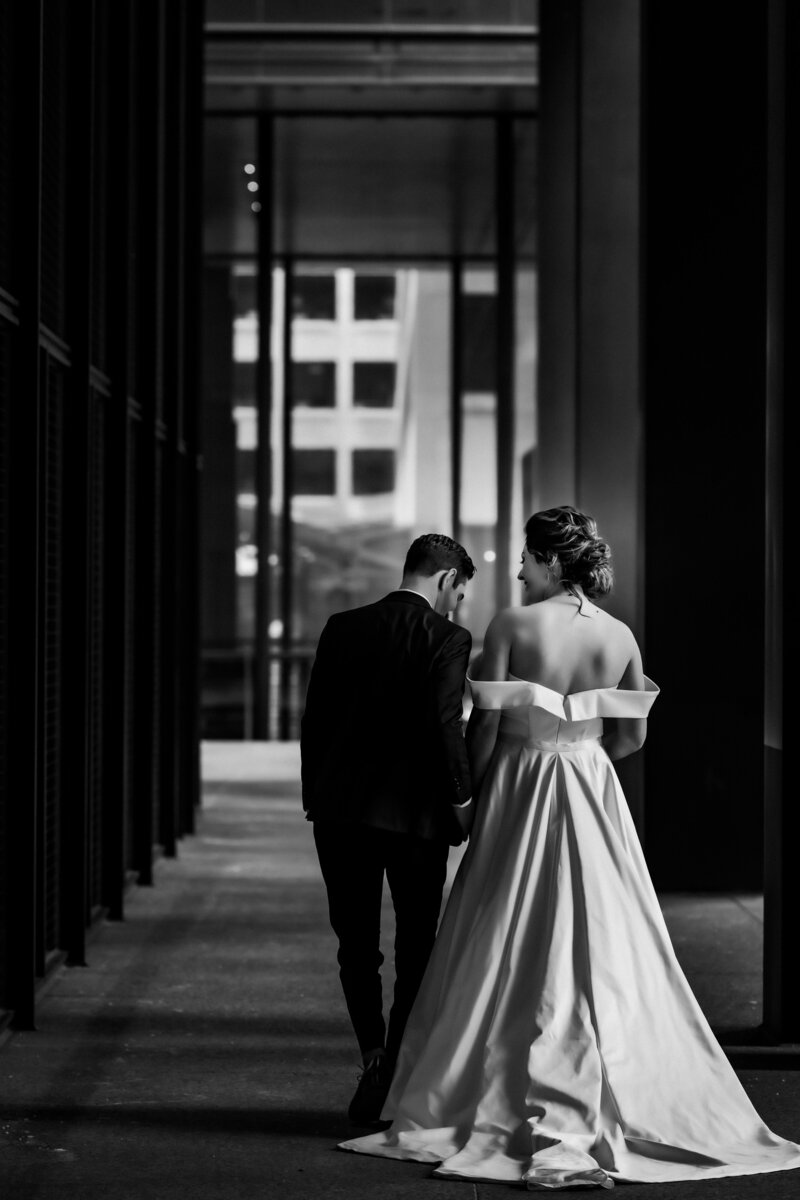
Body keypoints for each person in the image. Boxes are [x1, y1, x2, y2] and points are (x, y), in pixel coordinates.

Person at [339, 507, 800, 1188]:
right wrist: (582, 755)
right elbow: (635, 737)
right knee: (603, 928)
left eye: (527, 557)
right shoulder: (619, 636)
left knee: (504, 922)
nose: (519, 569)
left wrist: (470, 799)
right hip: (589, 785)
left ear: (553, 561)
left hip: (523, 783)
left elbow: (487, 727)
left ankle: (482, 1081)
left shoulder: (511, 626)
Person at [301, 533, 476, 1127]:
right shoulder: (447, 638)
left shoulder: (342, 627)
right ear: (447, 579)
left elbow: (315, 719)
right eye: (460, 593)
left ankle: (372, 1057)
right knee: (415, 946)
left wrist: (314, 797)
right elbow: (445, 728)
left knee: (356, 944)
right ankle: (398, 1067)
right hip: (416, 820)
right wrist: (463, 802)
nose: (459, 606)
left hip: (341, 813)